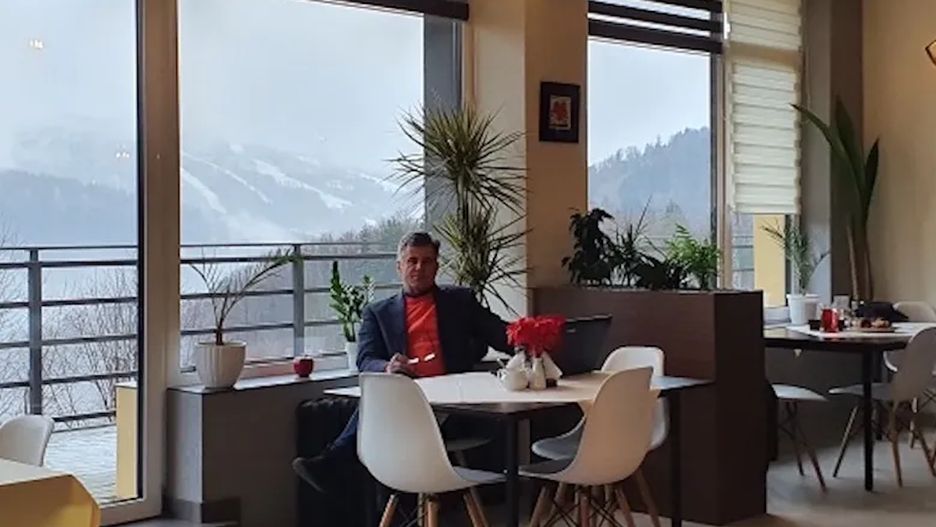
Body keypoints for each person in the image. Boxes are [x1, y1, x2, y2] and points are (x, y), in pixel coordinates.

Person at [292, 231, 512, 493]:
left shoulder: (460, 302)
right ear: (399, 267)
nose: (419, 268)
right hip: (406, 405)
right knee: (384, 396)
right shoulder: (378, 313)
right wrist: (388, 367)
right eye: (412, 261)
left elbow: (502, 334)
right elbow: (365, 359)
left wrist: (533, 337)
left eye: (427, 261)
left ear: (436, 267)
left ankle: (333, 462)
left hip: (454, 410)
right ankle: (335, 464)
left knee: (381, 403)